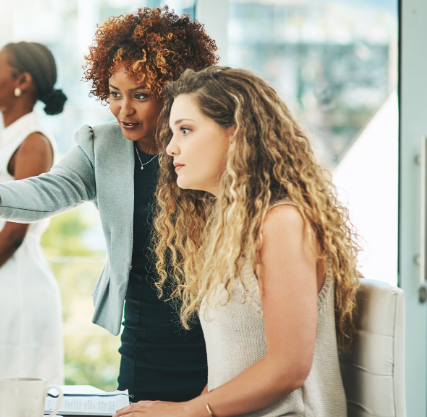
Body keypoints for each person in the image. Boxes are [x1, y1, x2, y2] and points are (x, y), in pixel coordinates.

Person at [0, 7, 218, 402]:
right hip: (143, 331)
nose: (124, 110)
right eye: (114, 94)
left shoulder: (202, 146)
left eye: (140, 96)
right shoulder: (100, 145)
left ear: (175, 92)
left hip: (210, 331)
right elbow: (51, 189)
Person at [114, 66, 359, 416]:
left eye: (185, 130)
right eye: (172, 133)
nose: (170, 148)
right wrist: (188, 408)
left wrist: (185, 413)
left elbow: (288, 368)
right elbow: (234, 366)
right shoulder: (231, 228)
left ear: (236, 134)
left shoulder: (281, 222)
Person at [0, 41, 67, 386]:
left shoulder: (33, 140)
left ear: (22, 79)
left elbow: (13, 233)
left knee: (7, 399)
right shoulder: (4, 139)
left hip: (15, 289)